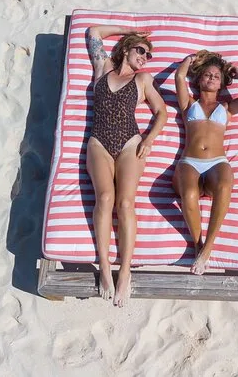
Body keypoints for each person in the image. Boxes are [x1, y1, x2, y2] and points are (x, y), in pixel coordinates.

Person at [85, 26, 167, 306]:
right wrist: (130, 30)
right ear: (127, 48)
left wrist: (149, 139)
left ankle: (125, 271)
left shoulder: (143, 79)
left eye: (149, 55)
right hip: (99, 142)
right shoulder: (102, 67)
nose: (145, 57)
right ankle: (105, 267)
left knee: (125, 203)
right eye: (141, 50)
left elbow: (161, 112)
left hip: (131, 143)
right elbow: (94, 32)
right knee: (105, 198)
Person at [173, 50, 238, 275]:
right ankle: (198, 245)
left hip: (216, 162)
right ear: (199, 79)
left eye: (216, 76)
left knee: (224, 185)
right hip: (190, 161)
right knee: (189, 194)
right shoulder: (188, 104)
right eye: (207, 75)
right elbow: (179, 77)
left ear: (221, 84)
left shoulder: (227, 108)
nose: (211, 78)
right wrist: (188, 60)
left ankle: (208, 247)